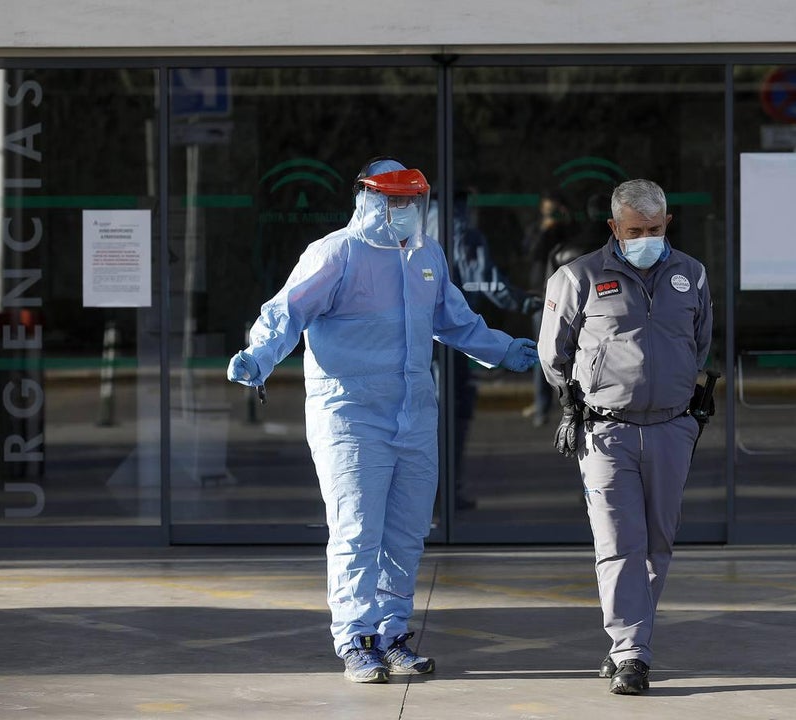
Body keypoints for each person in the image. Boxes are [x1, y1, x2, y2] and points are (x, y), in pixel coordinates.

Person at [226, 157, 538, 684]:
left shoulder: (426, 255)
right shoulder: (335, 254)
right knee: (356, 531)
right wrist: (258, 356)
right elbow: (287, 313)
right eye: (393, 200)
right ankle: (355, 639)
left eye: (411, 201)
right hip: (350, 415)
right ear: (366, 199)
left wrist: (504, 349)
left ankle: (393, 634)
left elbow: (454, 321)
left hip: (414, 413)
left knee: (406, 533)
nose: (404, 210)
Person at [537, 179, 713, 695]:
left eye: (656, 229)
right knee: (618, 544)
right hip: (606, 430)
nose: (647, 238)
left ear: (668, 224)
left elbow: (698, 345)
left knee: (657, 544)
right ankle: (631, 651)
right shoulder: (578, 276)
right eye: (636, 230)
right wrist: (584, 395)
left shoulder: (692, 275)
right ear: (614, 228)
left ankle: (631, 638)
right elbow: (553, 354)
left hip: (672, 429)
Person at [439, 191, 542, 509]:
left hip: (417, 343)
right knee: (453, 413)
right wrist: (525, 302)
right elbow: (485, 280)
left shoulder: (411, 233)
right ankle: (446, 492)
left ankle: (426, 493)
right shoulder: (460, 233)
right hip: (453, 341)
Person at [520, 190, 575, 427]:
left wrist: (565, 224)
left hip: (566, 296)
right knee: (543, 354)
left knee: (570, 353)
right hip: (541, 296)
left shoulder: (569, 230)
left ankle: (569, 404)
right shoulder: (537, 229)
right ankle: (542, 406)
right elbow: (530, 253)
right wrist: (545, 229)